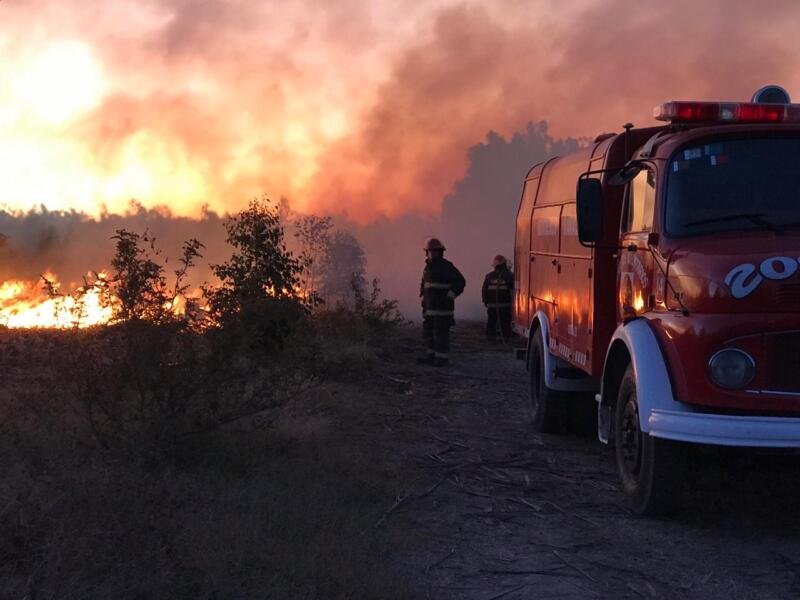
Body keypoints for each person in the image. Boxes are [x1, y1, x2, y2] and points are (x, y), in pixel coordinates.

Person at [418, 238, 466, 367]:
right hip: (429, 309)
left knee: (441, 335)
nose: (432, 253)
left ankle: (442, 359)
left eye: (435, 251)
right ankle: (431, 356)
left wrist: (451, 294)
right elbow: (425, 286)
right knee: (428, 333)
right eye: (430, 251)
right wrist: (423, 301)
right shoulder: (427, 268)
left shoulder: (446, 266)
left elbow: (460, 281)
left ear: (440, 252)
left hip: (443, 309)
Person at [482, 254, 513, 343]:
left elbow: (484, 290)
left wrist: (485, 301)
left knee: (491, 323)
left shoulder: (489, 276)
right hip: (505, 306)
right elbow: (513, 291)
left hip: (492, 306)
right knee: (505, 323)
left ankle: (490, 340)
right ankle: (505, 340)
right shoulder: (510, 276)